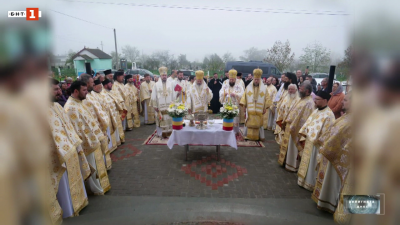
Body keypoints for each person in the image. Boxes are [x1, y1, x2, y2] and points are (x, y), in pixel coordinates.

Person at [49, 79, 89, 218]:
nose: (60, 91)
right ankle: (67, 210)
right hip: (57, 156)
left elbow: (68, 128)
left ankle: (76, 205)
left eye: (59, 88)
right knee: (63, 187)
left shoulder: (57, 106)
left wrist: (75, 145)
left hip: (69, 150)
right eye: (55, 89)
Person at [64, 81, 111, 195]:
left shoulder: (80, 102)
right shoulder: (70, 107)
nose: (87, 93)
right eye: (84, 90)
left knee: (95, 166)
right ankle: (94, 190)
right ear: (76, 91)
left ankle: (98, 187)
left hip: (92, 140)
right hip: (86, 144)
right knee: (90, 168)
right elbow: (76, 130)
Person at [312, 93, 352, 214]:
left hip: (337, 157)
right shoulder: (346, 117)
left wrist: (327, 147)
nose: (341, 102)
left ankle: (331, 204)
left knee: (333, 182)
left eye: (345, 100)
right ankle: (325, 200)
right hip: (330, 154)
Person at [297, 90, 335, 191]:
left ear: (325, 100)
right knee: (306, 162)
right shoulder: (317, 110)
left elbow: (327, 133)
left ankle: (310, 184)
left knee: (312, 164)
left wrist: (317, 141)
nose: (315, 101)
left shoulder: (329, 115)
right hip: (309, 141)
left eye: (317, 99)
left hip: (316, 144)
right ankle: (302, 180)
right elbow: (308, 122)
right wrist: (304, 134)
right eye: (315, 99)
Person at [278, 82, 315, 172]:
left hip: (296, 129)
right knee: (288, 147)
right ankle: (286, 161)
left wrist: (293, 126)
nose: (299, 91)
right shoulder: (302, 99)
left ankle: (292, 165)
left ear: (307, 91)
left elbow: (305, 119)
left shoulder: (309, 103)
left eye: (301, 89)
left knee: (293, 148)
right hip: (290, 126)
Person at [80, 74, 112, 169]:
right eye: (92, 82)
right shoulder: (84, 98)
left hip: (99, 127)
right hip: (94, 130)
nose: (93, 84)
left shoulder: (91, 95)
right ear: (87, 83)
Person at [240, 68, 271, 141]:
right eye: (255, 79)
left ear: (260, 79)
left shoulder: (264, 88)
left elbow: (267, 98)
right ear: (253, 79)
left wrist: (265, 108)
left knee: (259, 124)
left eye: (258, 79)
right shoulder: (248, 87)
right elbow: (244, 97)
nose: (256, 81)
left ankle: (260, 136)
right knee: (249, 122)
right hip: (250, 109)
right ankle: (248, 135)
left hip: (259, 109)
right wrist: (244, 106)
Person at [150, 67, 175, 138]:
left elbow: (173, 95)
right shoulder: (156, 85)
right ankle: (160, 134)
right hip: (160, 107)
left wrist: (173, 104)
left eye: (165, 75)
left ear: (167, 76)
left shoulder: (171, 84)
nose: (164, 77)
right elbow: (153, 95)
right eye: (163, 75)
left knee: (169, 120)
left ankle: (169, 133)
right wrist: (155, 106)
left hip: (169, 106)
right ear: (160, 76)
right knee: (160, 120)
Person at [100, 79, 124, 148]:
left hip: (115, 112)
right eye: (110, 84)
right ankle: (114, 143)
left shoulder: (110, 92)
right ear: (105, 85)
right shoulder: (103, 94)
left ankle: (118, 140)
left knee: (117, 128)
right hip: (110, 114)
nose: (111, 85)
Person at [219, 69, 244, 135]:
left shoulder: (239, 84)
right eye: (230, 79)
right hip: (227, 105)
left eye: (233, 80)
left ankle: (235, 133)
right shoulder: (225, 83)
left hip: (235, 105)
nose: (231, 81)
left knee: (235, 119)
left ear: (235, 79)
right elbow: (221, 91)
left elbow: (242, 94)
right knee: (227, 118)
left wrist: (235, 95)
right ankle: (226, 131)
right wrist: (224, 94)